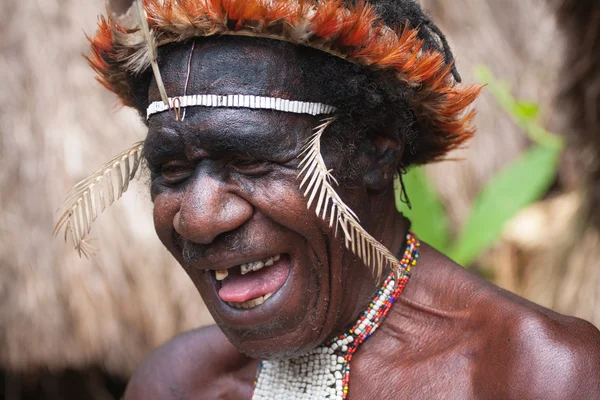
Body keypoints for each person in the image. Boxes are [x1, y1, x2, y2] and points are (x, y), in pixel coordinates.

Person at [56, 0, 600, 398]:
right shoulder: (175, 385)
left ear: (374, 154)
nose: (199, 219)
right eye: (171, 171)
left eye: (251, 161)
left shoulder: (540, 376)